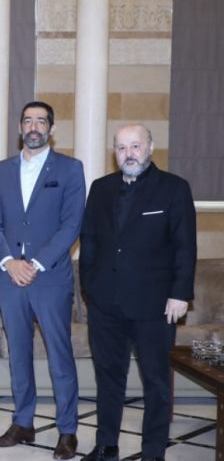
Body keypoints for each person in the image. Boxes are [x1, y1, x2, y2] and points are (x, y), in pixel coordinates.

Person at [79, 124, 196, 461]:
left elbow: (185, 246)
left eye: (135, 146)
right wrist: (89, 286)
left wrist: (180, 294)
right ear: (114, 152)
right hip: (105, 303)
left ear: (150, 147)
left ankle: (153, 451)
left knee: (156, 382)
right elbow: (90, 240)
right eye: (121, 147)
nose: (128, 154)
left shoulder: (174, 188)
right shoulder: (101, 188)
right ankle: (106, 445)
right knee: (108, 378)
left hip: (155, 305)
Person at [0, 101, 85, 459]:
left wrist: (37, 263)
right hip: (10, 277)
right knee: (19, 353)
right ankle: (22, 422)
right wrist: (9, 262)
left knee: (59, 355)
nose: (34, 127)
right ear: (20, 127)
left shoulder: (70, 169)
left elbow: (71, 225)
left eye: (41, 121)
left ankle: (67, 430)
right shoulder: (0, 171)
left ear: (51, 129)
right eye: (28, 120)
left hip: (50, 278)